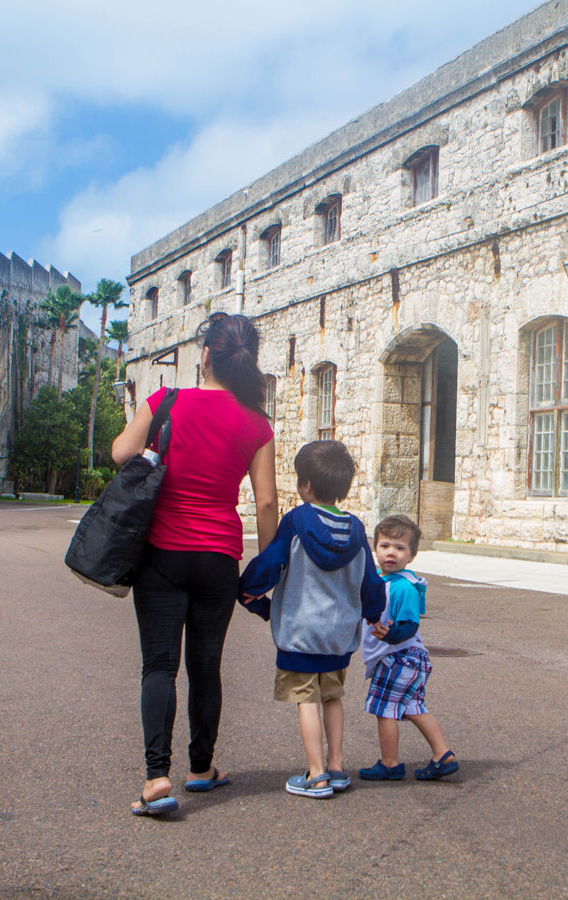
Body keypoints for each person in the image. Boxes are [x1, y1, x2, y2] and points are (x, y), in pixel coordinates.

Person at [110, 312, 278, 817]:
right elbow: (267, 504)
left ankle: (157, 778)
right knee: (207, 665)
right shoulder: (256, 422)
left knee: (160, 663)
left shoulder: (168, 401)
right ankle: (201, 769)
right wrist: (265, 571)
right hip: (219, 557)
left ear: (206, 355)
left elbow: (122, 452)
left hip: (162, 550)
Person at [239, 440, 385, 799]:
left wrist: (249, 589)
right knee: (332, 698)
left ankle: (316, 774)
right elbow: (371, 581)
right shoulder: (355, 529)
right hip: (339, 635)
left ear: (305, 485)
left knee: (306, 700)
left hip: (301, 631)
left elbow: (271, 564)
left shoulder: (297, 521)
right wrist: (373, 615)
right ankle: (335, 766)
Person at [359, 515, 458, 782]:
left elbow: (409, 625)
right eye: (385, 545)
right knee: (413, 707)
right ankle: (442, 754)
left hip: (398, 658)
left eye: (400, 548)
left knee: (384, 709)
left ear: (411, 555)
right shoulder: (383, 580)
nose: (391, 552)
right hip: (406, 659)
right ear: (375, 548)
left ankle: (390, 763)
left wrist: (391, 635)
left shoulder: (403, 587)